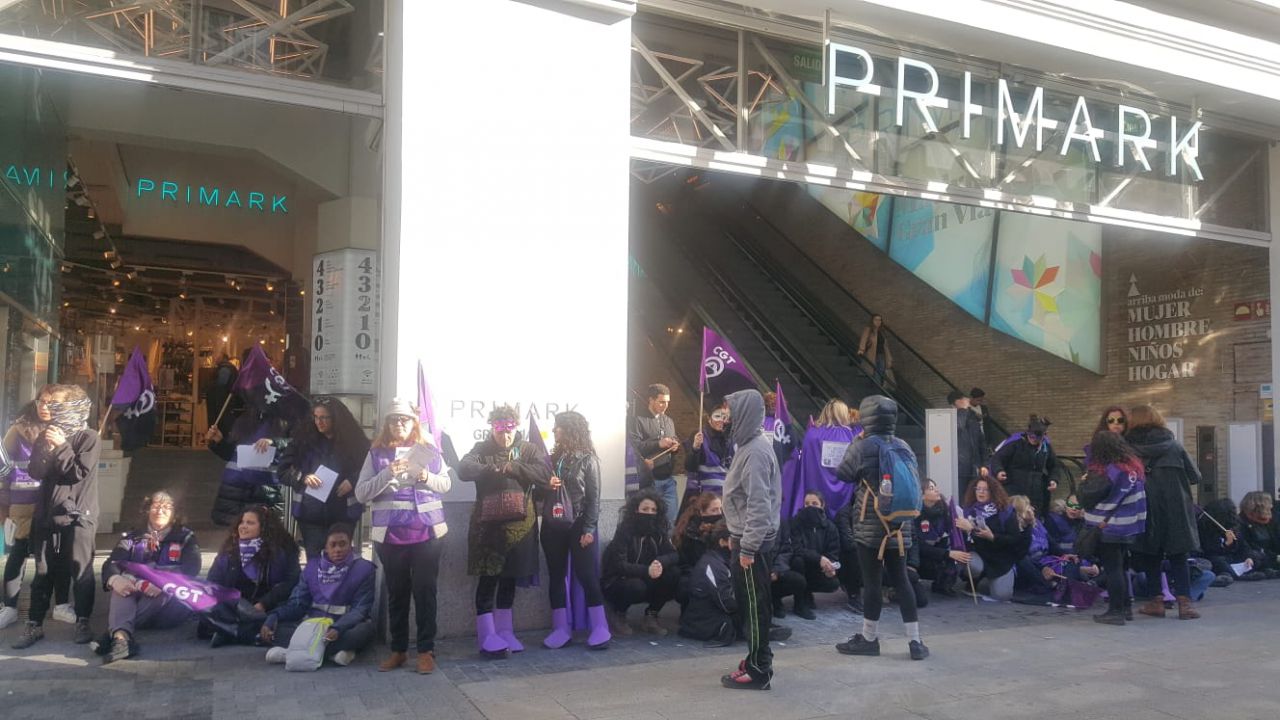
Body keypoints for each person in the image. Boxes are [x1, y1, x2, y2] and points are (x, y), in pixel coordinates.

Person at [355, 399, 451, 672]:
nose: (399, 424)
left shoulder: (429, 451)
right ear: (387, 423)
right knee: (397, 593)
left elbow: (445, 485)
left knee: (425, 591)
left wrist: (424, 476)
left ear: (413, 423)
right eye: (394, 419)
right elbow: (361, 493)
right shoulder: (376, 454)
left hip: (428, 532)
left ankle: (425, 650)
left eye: (404, 419)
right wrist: (387, 473)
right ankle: (398, 650)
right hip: (391, 536)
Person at [834, 395, 927, 662]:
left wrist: (856, 440)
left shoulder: (863, 446)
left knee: (872, 583)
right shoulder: (904, 445)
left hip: (870, 526)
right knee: (902, 580)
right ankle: (915, 641)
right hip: (900, 525)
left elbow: (843, 474)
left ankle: (869, 639)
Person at [12, 385, 100, 649]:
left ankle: (83, 620)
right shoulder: (45, 435)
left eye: (56, 404)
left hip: (77, 517)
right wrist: (47, 447)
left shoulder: (89, 437)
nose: (48, 408)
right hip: (47, 516)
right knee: (42, 571)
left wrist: (62, 446)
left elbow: (76, 473)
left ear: (71, 407)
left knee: (80, 571)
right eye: (47, 403)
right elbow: (36, 471)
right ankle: (34, 625)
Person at [459, 405, 551, 658]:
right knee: (488, 580)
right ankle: (486, 635)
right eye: (500, 430)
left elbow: (544, 474)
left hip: (520, 525)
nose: (505, 436)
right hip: (488, 528)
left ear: (516, 428)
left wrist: (515, 467)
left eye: (509, 430)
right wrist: (492, 468)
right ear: (492, 428)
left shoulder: (529, 449)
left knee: (510, 577)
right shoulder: (481, 449)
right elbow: (463, 469)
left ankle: (505, 630)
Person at [719, 389, 782, 690]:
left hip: (751, 544)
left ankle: (759, 670)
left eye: (731, 411)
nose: (726, 417)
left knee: (754, 608)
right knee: (752, 605)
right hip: (746, 538)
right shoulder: (749, 446)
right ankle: (757, 656)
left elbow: (759, 504)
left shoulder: (755, 451)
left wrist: (747, 547)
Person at [97, 491, 201, 661]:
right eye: (156, 506)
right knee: (120, 587)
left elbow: (191, 568)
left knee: (163, 589)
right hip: (139, 597)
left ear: (175, 513)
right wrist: (115, 579)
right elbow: (113, 563)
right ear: (147, 510)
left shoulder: (185, 537)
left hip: (169, 606)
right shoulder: (132, 537)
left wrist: (161, 583)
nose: (160, 511)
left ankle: (116, 630)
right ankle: (121, 638)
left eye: (167, 507)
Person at [540, 411, 611, 650]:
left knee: (586, 574)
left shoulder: (588, 459)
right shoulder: (551, 458)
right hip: (553, 524)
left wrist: (589, 528)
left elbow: (594, 498)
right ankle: (561, 628)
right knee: (556, 575)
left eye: (558, 427)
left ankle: (600, 627)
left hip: (579, 524)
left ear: (570, 429)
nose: (554, 431)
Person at [260, 523, 375, 668]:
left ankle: (292, 652)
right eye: (333, 545)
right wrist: (274, 617)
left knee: (364, 631)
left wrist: (338, 628)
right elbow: (297, 604)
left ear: (350, 546)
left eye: (342, 544)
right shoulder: (312, 568)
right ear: (326, 548)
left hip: (343, 628)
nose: (338, 549)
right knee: (274, 629)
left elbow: (360, 610)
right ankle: (333, 654)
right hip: (311, 626)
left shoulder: (364, 569)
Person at [1125, 405, 1202, 619]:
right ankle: (1185, 605)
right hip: (1176, 508)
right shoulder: (1175, 446)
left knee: (1151, 555)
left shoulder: (1128, 448)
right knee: (1179, 555)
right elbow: (1196, 476)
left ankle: (1155, 602)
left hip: (1145, 506)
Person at [1, 388, 63, 631]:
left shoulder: (64, 430)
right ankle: (10, 607)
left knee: (50, 558)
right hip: (22, 504)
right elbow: (2, 466)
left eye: (50, 403)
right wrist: (3, 503)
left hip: (52, 504)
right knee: (17, 556)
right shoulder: (17, 430)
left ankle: (56, 605)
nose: (44, 406)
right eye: (41, 401)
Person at [278, 397, 370, 561]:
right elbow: (283, 471)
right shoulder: (302, 441)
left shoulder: (355, 443)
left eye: (324, 418)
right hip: (311, 515)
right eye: (316, 417)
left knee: (341, 562)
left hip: (344, 513)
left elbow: (370, 468)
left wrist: (353, 481)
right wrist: (303, 477)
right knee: (315, 563)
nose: (319, 422)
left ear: (336, 419)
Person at [203, 505, 301, 646]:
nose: (243, 527)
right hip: (236, 605)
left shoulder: (284, 549)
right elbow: (213, 580)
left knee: (277, 623)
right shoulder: (230, 549)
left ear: (264, 527)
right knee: (204, 622)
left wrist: (263, 603)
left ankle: (231, 633)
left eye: (250, 523)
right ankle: (245, 634)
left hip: (269, 605)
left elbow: (291, 581)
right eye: (241, 522)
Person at [1081, 431, 1147, 625]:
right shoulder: (1133, 468)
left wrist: (1084, 483)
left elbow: (1088, 497)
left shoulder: (1106, 470)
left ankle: (1115, 611)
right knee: (1122, 567)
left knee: (1112, 569)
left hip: (1109, 527)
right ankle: (1126, 608)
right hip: (1129, 526)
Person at [602, 490, 678, 636]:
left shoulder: (659, 531)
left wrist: (660, 563)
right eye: (645, 509)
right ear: (636, 510)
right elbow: (619, 565)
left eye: (653, 510)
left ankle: (651, 614)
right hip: (619, 581)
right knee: (636, 586)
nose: (649, 513)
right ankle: (619, 613)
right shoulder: (624, 531)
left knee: (674, 574)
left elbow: (674, 555)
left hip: (649, 576)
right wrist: (647, 571)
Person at [206, 402, 291, 527]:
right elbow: (232, 454)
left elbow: (298, 445)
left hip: (266, 493)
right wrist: (219, 442)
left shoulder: (287, 422)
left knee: (265, 534)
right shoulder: (243, 421)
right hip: (235, 493)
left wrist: (274, 442)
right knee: (239, 536)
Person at [954, 477, 1027, 602]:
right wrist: (965, 530)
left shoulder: (1006, 512)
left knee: (1002, 596)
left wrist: (993, 537)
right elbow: (965, 541)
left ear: (993, 492)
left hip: (1000, 559)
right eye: (978, 489)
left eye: (985, 490)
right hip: (979, 554)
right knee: (971, 563)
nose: (981, 492)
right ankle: (974, 580)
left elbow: (1015, 539)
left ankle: (992, 580)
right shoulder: (968, 510)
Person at [788, 399, 857, 517]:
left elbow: (806, 465)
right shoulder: (851, 435)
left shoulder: (812, 434)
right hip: (845, 498)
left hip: (815, 492)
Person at [679, 520, 737, 647]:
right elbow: (726, 602)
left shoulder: (721, 561)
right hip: (703, 622)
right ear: (723, 542)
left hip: (712, 614)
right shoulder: (713, 565)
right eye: (736, 539)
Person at [628, 384, 680, 524]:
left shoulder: (669, 421)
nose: (665, 406)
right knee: (650, 522)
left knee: (670, 521)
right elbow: (635, 447)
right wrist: (658, 444)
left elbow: (674, 441)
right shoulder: (637, 420)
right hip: (650, 481)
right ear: (651, 400)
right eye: (661, 402)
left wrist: (675, 446)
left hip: (668, 479)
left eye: (667, 402)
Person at [785, 492, 841, 619]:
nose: (810, 507)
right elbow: (796, 548)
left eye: (814, 504)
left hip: (818, 569)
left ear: (822, 505)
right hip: (800, 566)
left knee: (833, 583)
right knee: (798, 561)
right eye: (807, 504)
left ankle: (807, 592)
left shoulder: (830, 527)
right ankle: (799, 603)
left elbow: (833, 552)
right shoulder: (796, 523)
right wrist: (818, 558)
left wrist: (830, 566)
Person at [989, 415, 1058, 518]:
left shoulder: (1046, 448)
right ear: (1027, 433)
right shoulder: (1015, 444)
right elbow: (997, 458)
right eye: (1031, 436)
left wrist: (1054, 479)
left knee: (1034, 519)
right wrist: (999, 471)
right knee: (1013, 518)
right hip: (1014, 489)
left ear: (1044, 436)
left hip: (1037, 493)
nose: (1033, 440)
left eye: (1037, 438)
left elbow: (1054, 466)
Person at [914, 479, 960, 596]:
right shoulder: (915, 514)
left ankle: (943, 584)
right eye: (931, 488)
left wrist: (964, 526)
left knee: (956, 558)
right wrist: (945, 553)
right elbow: (918, 545)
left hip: (940, 549)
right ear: (922, 495)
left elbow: (950, 531)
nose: (937, 490)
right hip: (920, 556)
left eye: (936, 487)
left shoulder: (944, 509)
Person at [684, 402, 733, 504]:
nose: (721, 420)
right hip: (704, 496)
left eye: (724, 417)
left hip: (726, 497)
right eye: (717, 416)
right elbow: (690, 467)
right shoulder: (698, 435)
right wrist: (695, 448)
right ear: (709, 418)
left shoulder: (730, 439)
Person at [949, 390, 985, 496]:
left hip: (974, 466)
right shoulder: (951, 417)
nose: (968, 400)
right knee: (961, 496)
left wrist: (984, 464)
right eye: (964, 398)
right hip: (960, 468)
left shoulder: (973, 418)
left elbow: (981, 442)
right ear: (957, 401)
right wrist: (962, 410)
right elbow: (959, 426)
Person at [1238, 491, 1280, 578]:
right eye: (1268, 504)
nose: (1271, 506)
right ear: (1257, 506)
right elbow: (1247, 547)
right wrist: (1275, 557)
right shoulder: (1241, 522)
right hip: (1255, 558)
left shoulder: (1272, 521)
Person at [856, 314, 893, 384]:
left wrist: (889, 358)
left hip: (881, 354)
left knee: (881, 371)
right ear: (872, 321)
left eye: (880, 320)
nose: (878, 321)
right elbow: (864, 339)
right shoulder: (868, 329)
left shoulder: (882, 332)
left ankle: (876, 386)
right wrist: (861, 349)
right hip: (872, 353)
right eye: (876, 320)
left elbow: (885, 345)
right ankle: (877, 387)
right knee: (875, 370)